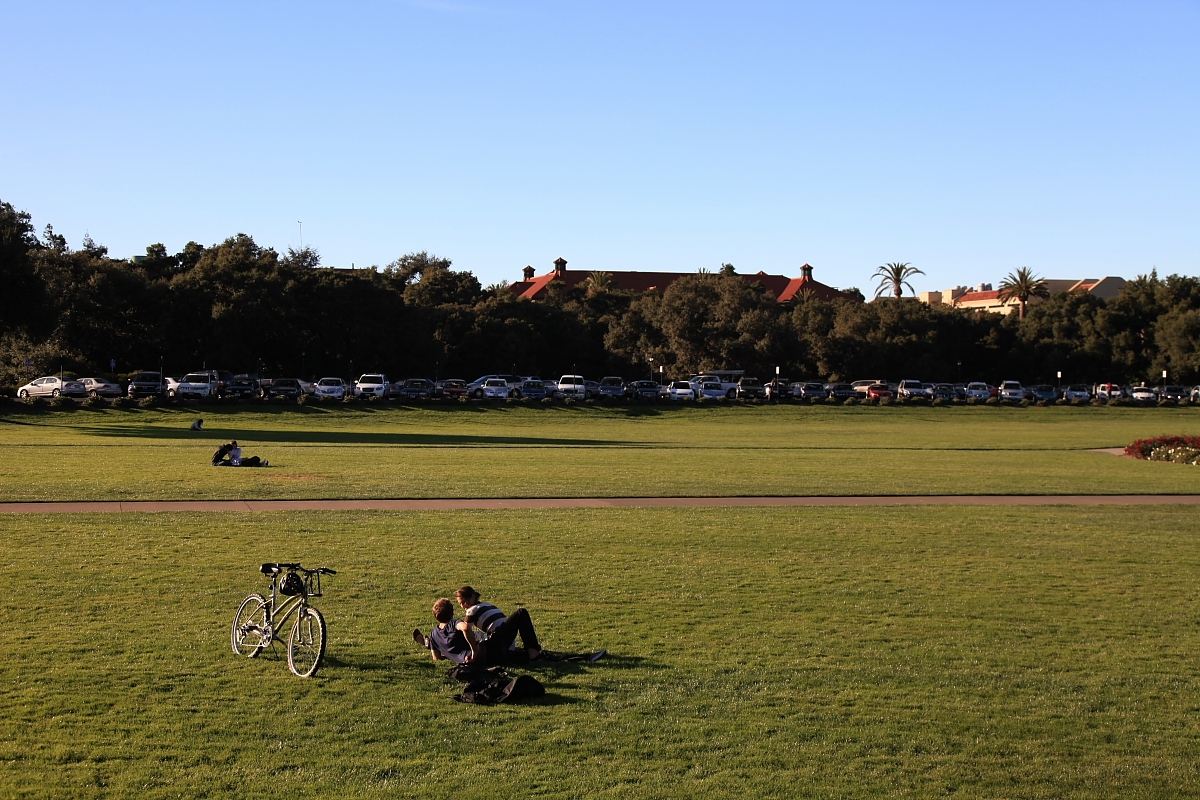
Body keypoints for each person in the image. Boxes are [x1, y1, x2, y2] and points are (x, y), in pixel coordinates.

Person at [454, 585, 542, 665]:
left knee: (521, 613)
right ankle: (533, 651)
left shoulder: (472, 610)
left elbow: (466, 630)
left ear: (473, 597)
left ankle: (532, 652)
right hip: (500, 635)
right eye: (461, 603)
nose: (464, 605)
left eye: (465, 601)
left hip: (500, 634)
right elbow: (467, 631)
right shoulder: (486, 605)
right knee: (521, 613)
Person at [414, 598, 473, 664]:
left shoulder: (434, 633)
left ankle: (427, 643)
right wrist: (475, 649)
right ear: (452, 612)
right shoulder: (454, 624)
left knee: (439, 643)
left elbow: (436, 658)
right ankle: (427, 643)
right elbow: (465, 628)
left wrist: (451, 655)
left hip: (462, 659)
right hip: (473, 655)